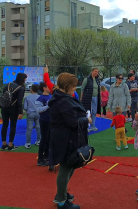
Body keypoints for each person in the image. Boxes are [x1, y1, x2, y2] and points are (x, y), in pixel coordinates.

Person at [49, 73, 91, 209]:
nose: (75, 88)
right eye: (73, 86)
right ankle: (61, 201)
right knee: (66, 167)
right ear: (66, 86)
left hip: (66, 137)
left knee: (69, 166)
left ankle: (61, 194)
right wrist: (87, 120)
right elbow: (72, 122)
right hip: (66, 138)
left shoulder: (60, 97)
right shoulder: (64, 101)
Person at [0, 73, 27, 151]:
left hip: (4, 107)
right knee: (13, 126)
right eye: (25, 78)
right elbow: (19, 101)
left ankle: (4, 143)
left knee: (4, 125)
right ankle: (11, 144)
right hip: (13, 109)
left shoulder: (8, 84)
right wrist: (20, 112)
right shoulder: (21, 88)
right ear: (22, 79)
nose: (25, 80)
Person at [36, 82, 52, 167]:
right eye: (48, 87)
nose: (50, 88)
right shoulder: (40, 98)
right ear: (44, 88)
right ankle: (40, 159)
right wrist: (48, 106)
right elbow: (39, 110)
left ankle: (47, 155)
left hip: (51, 120)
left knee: (49, 138)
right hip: (44, 120)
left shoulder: (51, 96)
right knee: (44, 139)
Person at [81, 68, 101, 132]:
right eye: (95, 71)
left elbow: (99, 89)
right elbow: (82, 89)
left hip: (96, 98)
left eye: (97, 72)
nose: (96, 73)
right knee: (88, 112)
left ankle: (93, 126)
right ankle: (87, 127)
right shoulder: (87, 79)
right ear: (92, 71)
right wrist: (81, 98)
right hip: (88, 98)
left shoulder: (97, 80)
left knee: (94, 112)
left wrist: (100, 98)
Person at [23, 84, 41, 149]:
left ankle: (28, 143)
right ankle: (38, 141)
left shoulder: (27, 97)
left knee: (29, 128)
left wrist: (28, 109)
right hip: (38, 113)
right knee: (38, 127)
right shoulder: (40, 97)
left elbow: (25, 107)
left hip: (30, 113)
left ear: (31, 90)